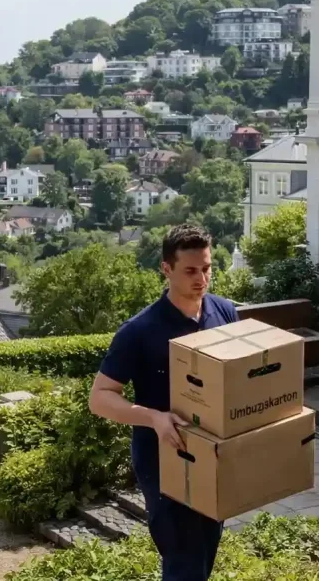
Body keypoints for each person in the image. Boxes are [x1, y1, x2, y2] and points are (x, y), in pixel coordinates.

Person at [88, 224, 239, 581]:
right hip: (163, 458)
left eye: (207, 268)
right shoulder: (139, 331)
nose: (201, 278)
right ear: (166, 269)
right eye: (190, 270)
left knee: (206, 549)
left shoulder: (225, 312)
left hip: (214, 453)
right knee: (184, 558)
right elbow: (100, 398)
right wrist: (154, 418)